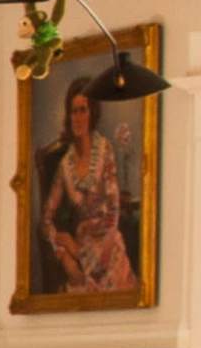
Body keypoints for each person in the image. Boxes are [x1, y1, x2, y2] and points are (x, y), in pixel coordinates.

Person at [40, 81, 134, 292]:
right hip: (82, 242)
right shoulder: (65, 165)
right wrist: (62, 250)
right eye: (73, 112)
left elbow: (113, 209)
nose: (78, 118)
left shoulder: (104, 150)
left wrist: (88, 252)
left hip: (108, 242)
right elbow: (46, 219)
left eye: (83, 110)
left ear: (92, 113)